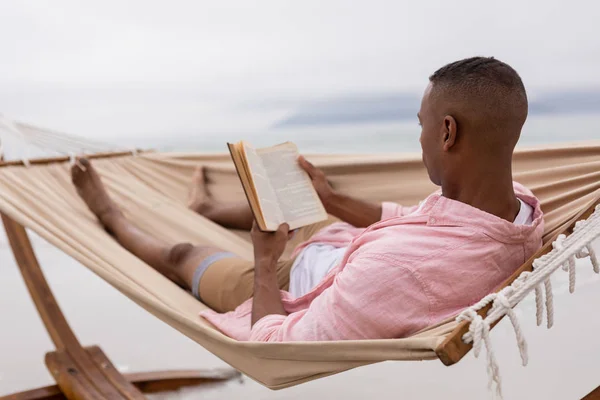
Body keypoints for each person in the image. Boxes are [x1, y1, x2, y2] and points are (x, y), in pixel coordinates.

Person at [72, 56, 544, 342]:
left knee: (183, 254)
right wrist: (332, 200)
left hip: (295, 280)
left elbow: (275, 341)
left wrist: (263, 261)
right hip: (346, 247)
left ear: (446, 132)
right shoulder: (518, 207)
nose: (418, 137)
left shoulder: (397, 273)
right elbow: (409, 219)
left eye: (421, 123)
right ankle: (209, 210)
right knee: (301, 204)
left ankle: (110, 214)